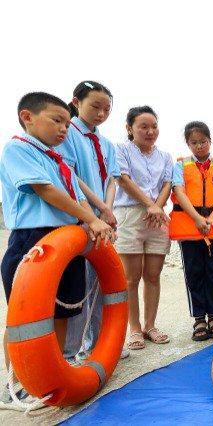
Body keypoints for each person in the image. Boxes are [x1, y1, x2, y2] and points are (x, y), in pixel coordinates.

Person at [0, 92, 113, 407]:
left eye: (67, 122)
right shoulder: (17, 149)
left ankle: (54, 373)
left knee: (64, 310)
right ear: (28, 117)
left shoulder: (60, 160)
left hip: (68, 239)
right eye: (56, 120)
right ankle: (18, 382)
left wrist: (91, 223)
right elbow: (45, 189)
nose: (64, 129)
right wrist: (91, 217)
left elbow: (77, 198)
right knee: (26, 316)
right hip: (33, 239)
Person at [57, 81, 122, 362]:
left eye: (106, 109)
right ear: (76, 102)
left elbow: (112, 179)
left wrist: (107, 209)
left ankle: (100, 345)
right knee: (77, 288)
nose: (101, 113)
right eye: (95, 106)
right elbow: (70, 175)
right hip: (78, 218)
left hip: (103, 219)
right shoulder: (66, 133)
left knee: (101, 284)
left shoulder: (106, 143)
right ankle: (72, 351)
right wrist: (98, 209)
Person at [114, 106, 173, 350]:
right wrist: (150, 205)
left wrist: (157, 207)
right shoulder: (121, 150)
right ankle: (135, 328)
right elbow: (123, 179)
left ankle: (150, 326)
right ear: (130, 128)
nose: (150, 131)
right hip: (129, 214)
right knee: (131, 278)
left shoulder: (166, 156)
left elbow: (168, 183)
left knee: (153, 275)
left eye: (154, 126)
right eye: (143, 126)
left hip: (157, 217)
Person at [169, 121, 213, 341]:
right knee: (194, 273)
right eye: (194, 142)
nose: (199, 146)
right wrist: (197, 219)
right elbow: (178, 191)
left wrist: (212, 218)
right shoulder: (180, 165)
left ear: (210, 141)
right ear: (188, 143)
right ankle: (198, 318)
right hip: (190, 228)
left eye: (203, 141)